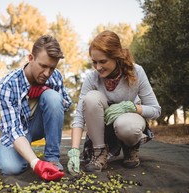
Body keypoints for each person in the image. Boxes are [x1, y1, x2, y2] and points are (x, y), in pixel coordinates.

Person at [67, 31, 161, 175]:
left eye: (103, 61)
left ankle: (130, 147)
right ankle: (99, 152)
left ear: (116, 57)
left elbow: (155, 110)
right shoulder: (92, 79)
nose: (98, 67)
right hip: (102, 126)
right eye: (94, 62)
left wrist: (130, 107)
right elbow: (80, 115)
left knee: (127, 126)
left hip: (128, 121)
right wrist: (73, 150)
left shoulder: (136, 72)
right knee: (90, 98)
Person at [0, 35, 72, 181]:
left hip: (40, 125)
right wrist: (35, 162)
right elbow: (13, 129)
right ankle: (25, 154)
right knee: (10, 168)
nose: (47, 73)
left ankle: (52, 158)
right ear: (31, 58)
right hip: (18, 131)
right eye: (43, 66)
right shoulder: (8, 84)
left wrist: (46, 91)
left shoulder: (54, 77)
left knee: (53, 97)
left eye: (52, 68)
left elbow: (66, 104)